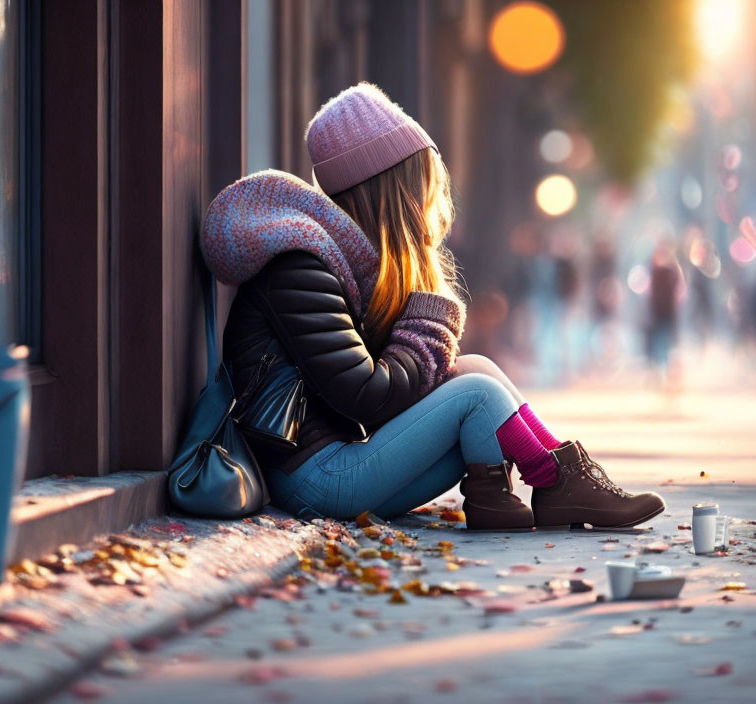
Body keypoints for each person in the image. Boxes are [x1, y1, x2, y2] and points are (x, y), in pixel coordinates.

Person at [201, 83, 665, 529]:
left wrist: (422, 339)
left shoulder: (339, 263)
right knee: (477, 395)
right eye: (423, 183)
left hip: (332, 469)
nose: (431, 200)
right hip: (313, 479)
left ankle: (527, 489)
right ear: (395, 193)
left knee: (476, 371)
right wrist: (423, 330)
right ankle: (549, 485)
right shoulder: (302, 268)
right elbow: (367, 398)